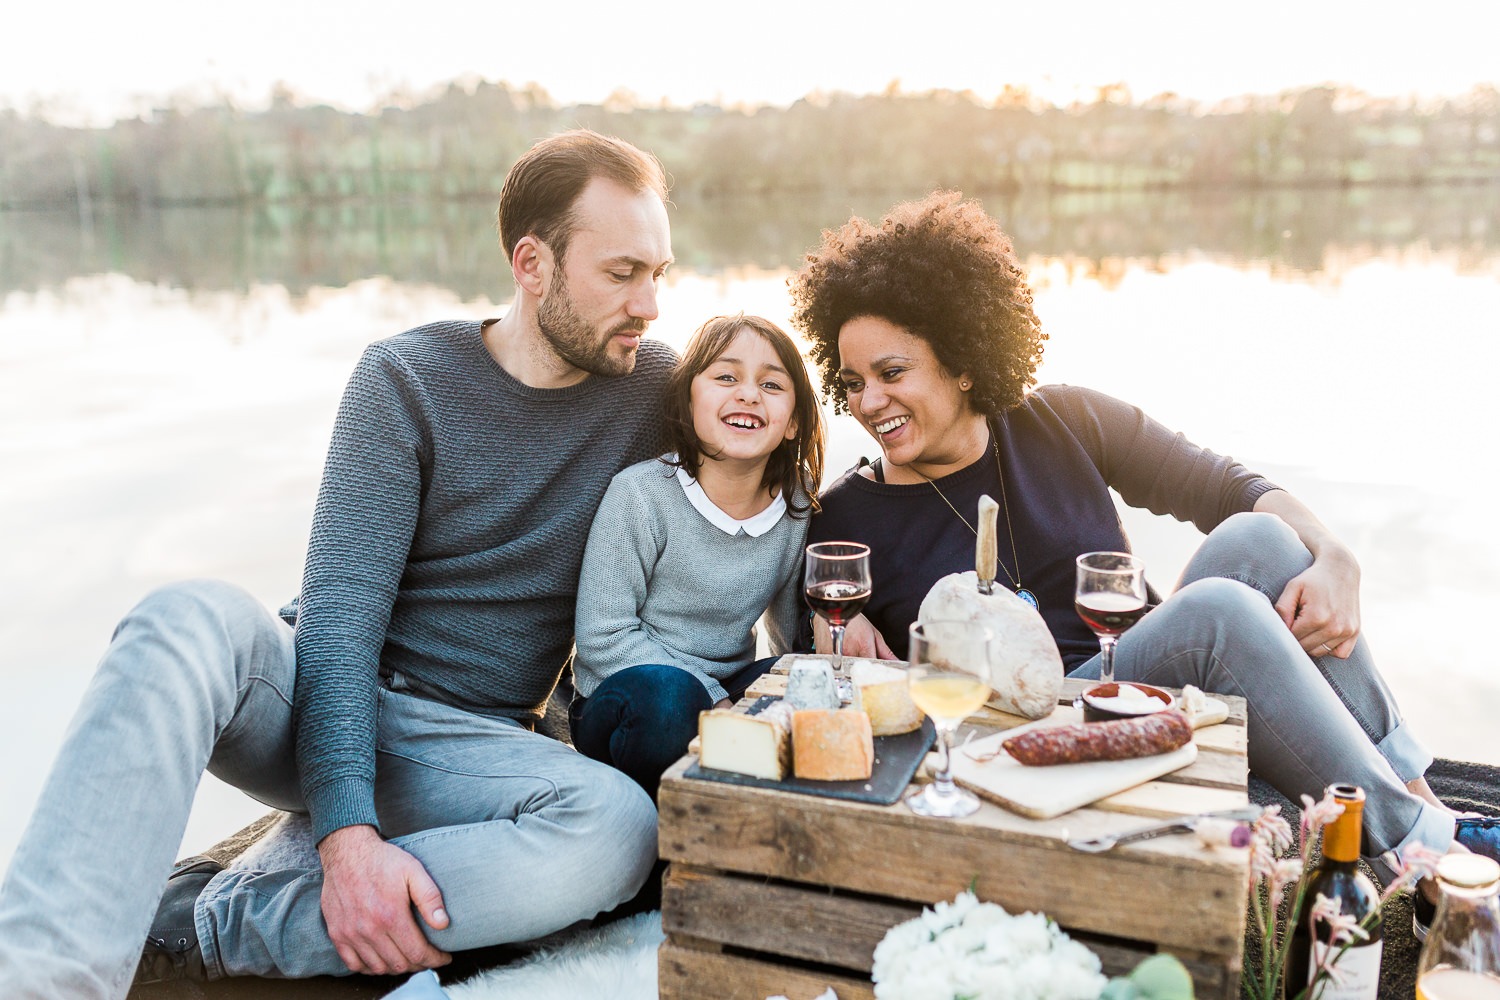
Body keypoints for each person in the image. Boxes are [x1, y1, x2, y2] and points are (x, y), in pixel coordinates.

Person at [0, 129, 677, 997]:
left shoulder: (655, 387)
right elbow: (337, 630)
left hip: (466, 747)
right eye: (623, 274)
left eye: (661, 273)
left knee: (617, 829)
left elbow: (769, 458)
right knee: (185, 618)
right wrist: (347, 838)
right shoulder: (405, 379)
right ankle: (37, 978)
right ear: (532, 263)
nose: (651, 304)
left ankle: (225, 924)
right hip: (315, 694)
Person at [789, 190, 1498, 891]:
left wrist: (1337, 554)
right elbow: (808, 658)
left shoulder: (1059, 419)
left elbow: (1226, 486)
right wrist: (826, 632)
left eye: (891, 373)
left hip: (1135, 680)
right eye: (852, 383)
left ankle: (1422, 804)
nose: (868, 403)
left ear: (963, 360)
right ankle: (1426, 855)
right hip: (1034, 727)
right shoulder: (848, 517)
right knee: (1215, 615)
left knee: (1261, 540)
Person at [570, 313, 824, 798]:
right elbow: (603, 637)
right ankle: (658, 825)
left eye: (771, 384)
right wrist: (716, 703)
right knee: (671, 702)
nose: (748, 394)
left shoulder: (795, 501)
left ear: (793, 422)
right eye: (726, 377)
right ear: (689, 402)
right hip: (627, 693)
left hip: (727, 683)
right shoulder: (642, 495)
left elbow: (786, 629)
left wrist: (804, 677)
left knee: (808, 687)